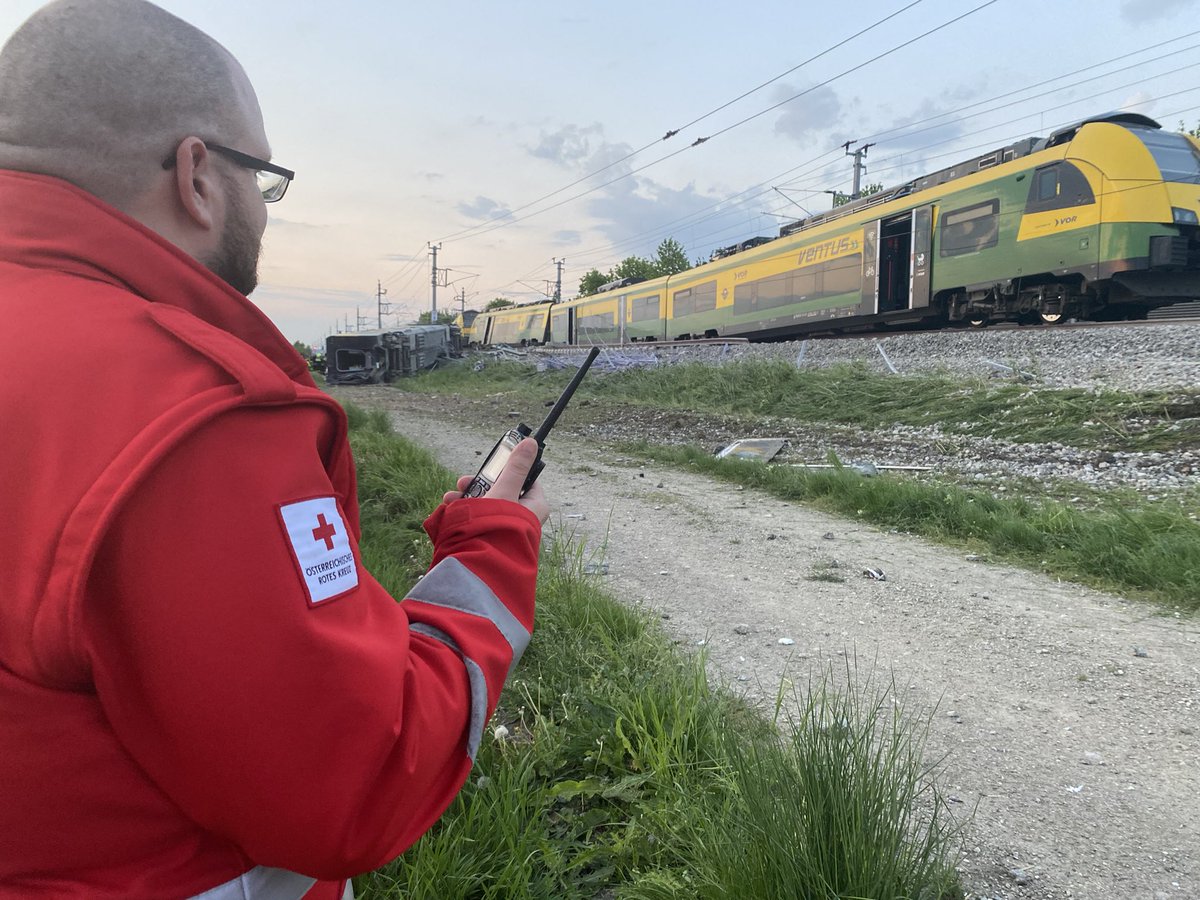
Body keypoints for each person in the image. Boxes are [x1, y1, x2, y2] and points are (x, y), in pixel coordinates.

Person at [0, 2, 548, 897]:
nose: (263, 207)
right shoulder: (187, 414)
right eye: (262, 177)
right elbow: (360, 777)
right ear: (198, 175)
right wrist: (492, 544)